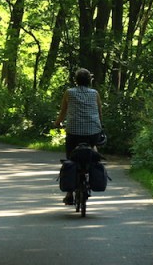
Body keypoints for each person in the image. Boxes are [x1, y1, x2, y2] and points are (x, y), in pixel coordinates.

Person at [53, 67, 103, 205]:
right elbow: (99, 111)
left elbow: (63, 112)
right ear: (89, 80)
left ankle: (70, 194)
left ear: (76, 80)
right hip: (93, 131)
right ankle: (95, 163)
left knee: (71, 157)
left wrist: (57, 123)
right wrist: (100, 126)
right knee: (93, 146)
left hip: (73, 132)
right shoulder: (95, 93)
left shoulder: (69, 93)